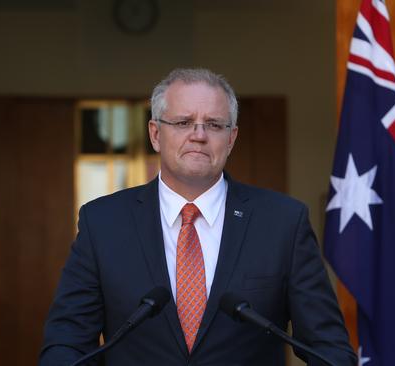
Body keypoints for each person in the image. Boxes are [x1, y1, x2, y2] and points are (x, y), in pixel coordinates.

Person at [39, 68, 356, 365]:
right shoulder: (103, 223)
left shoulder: (283, 222)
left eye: (215, 124)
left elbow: (328, 349)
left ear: (231, 138)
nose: (199, 135)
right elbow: (66, 344)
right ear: (155, 134)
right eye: (182, 122)